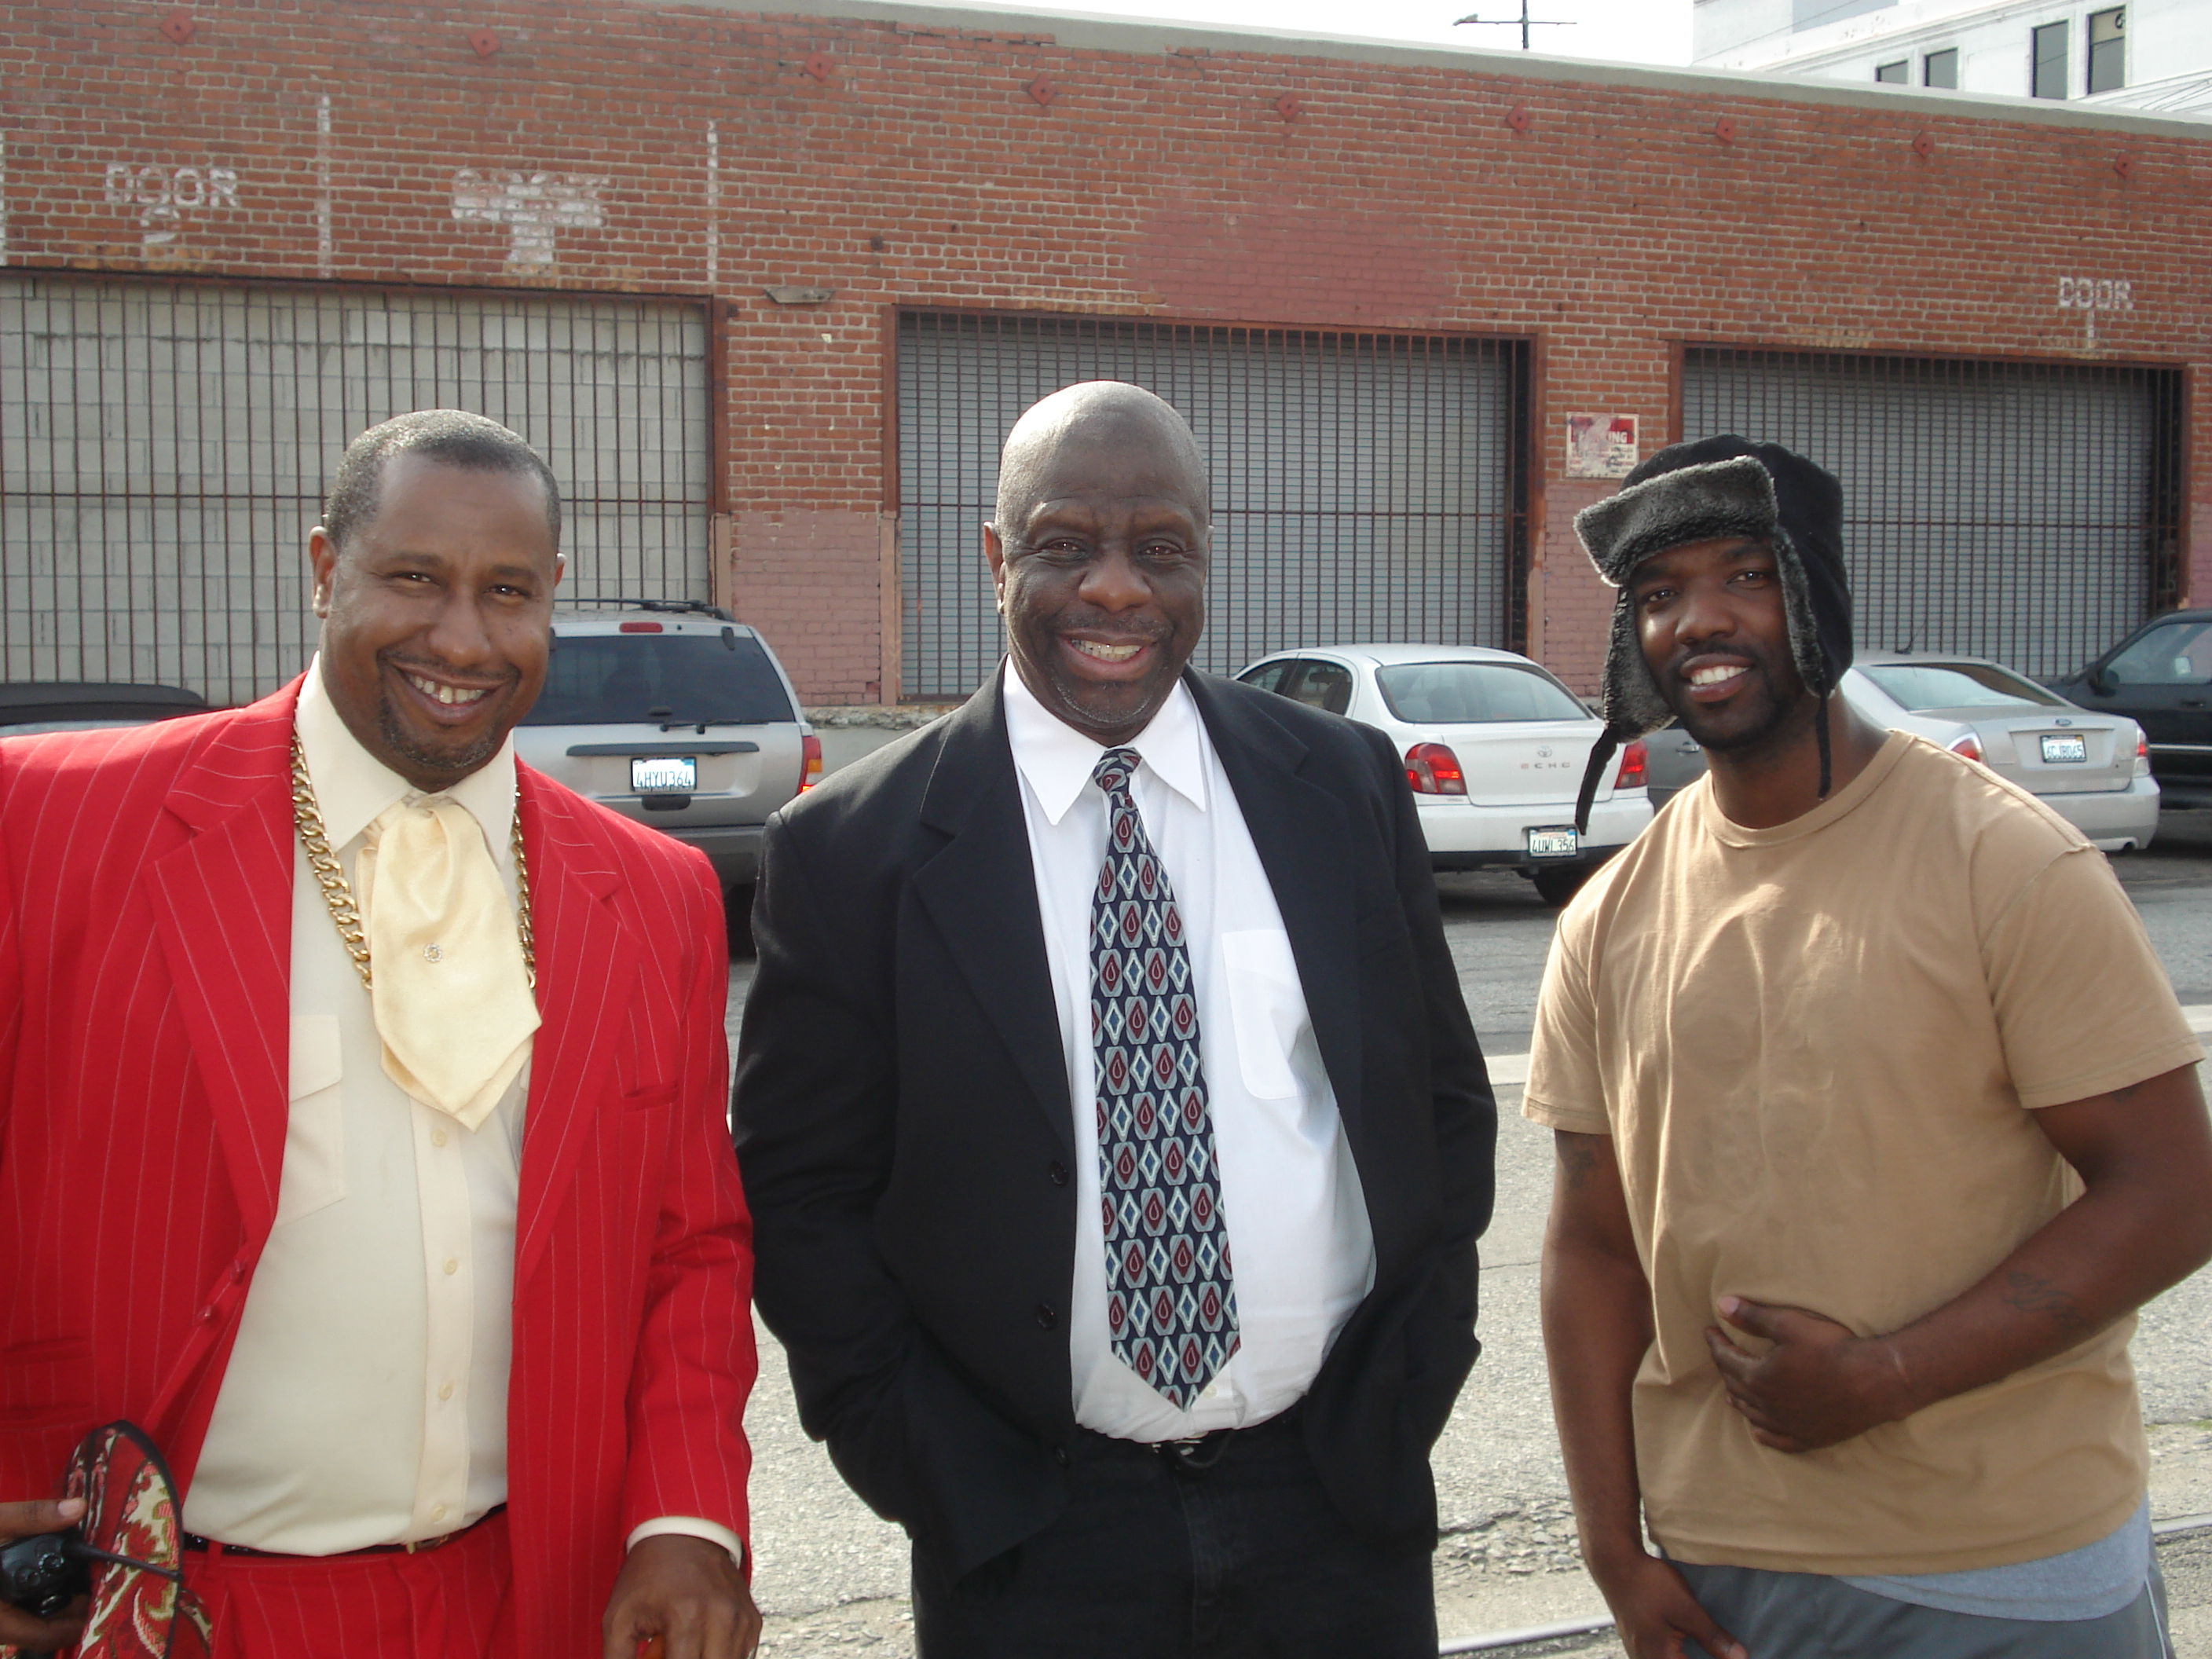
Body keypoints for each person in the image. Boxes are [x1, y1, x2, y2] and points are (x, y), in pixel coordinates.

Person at [731, 381, 1496, 1657]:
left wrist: (1409, 1386)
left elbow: (1441, 1107)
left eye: (1159, 549)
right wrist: (929, 1466)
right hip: (1028, 1541)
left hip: (1335, 1506)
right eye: (1065, 544)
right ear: (995, 557)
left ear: (1205, 553)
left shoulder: (1340, 786)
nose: (1116, 590)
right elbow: (803, 1194)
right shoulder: (850, 851)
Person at [0, 411, 762, 1659]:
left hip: (531, 1602)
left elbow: (693, 1249)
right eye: (414, 577)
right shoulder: (50, 829)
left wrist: (684, 1520)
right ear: (322, 569)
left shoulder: (657, 896)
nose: (460, 636)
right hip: (147, 1609)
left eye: (506, 591)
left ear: (550, 601)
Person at [1529, 434, 2212, 1659]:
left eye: (1746, 576)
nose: (1701, 620)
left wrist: (1887, 1375)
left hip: (2007, 1571)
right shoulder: (1610, 914)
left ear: (1820, 595)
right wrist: (1611, 1549)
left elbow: (2170, 1195)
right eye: (1661, 594)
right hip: (1725, 1574)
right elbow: (1592, 1247)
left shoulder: (2005, 864)